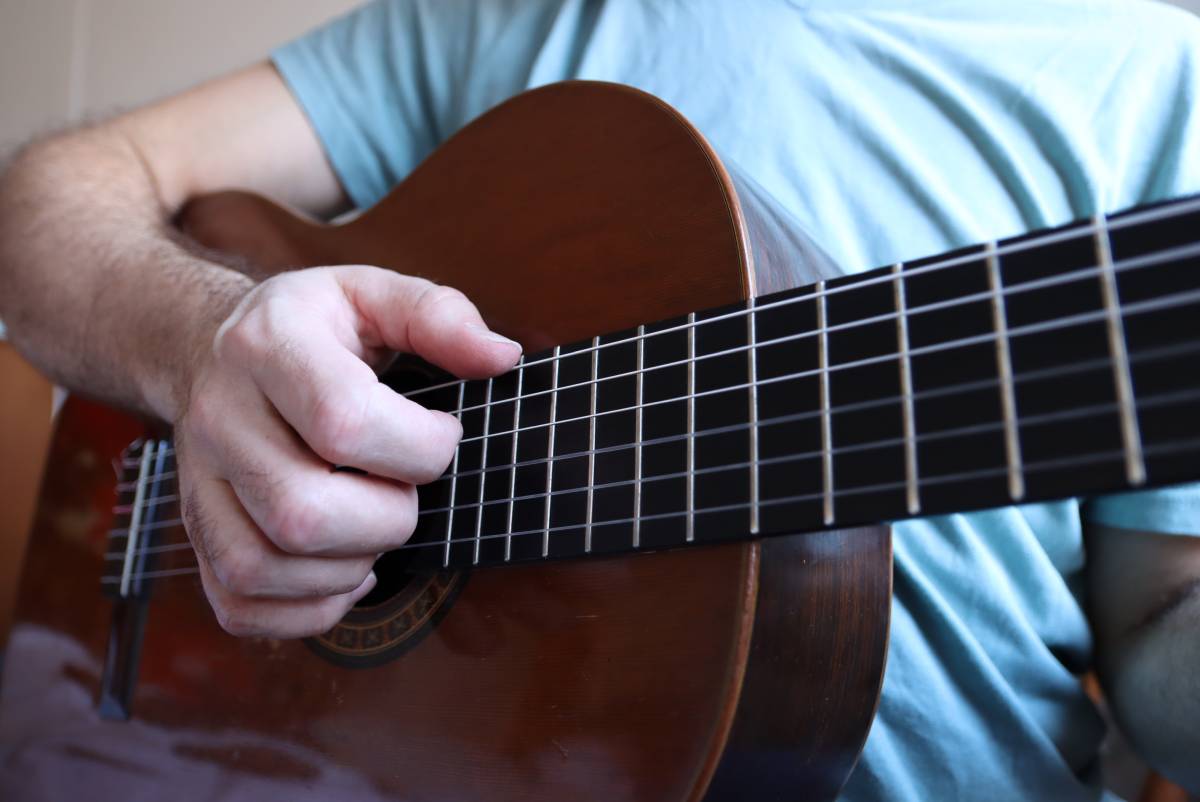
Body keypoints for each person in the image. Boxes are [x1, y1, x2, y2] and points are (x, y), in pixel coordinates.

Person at [1, 0, 1198, 799]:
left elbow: (1165, 628)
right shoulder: (520, 13)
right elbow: (50, 200)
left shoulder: (1166, 74)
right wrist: (200, 342)